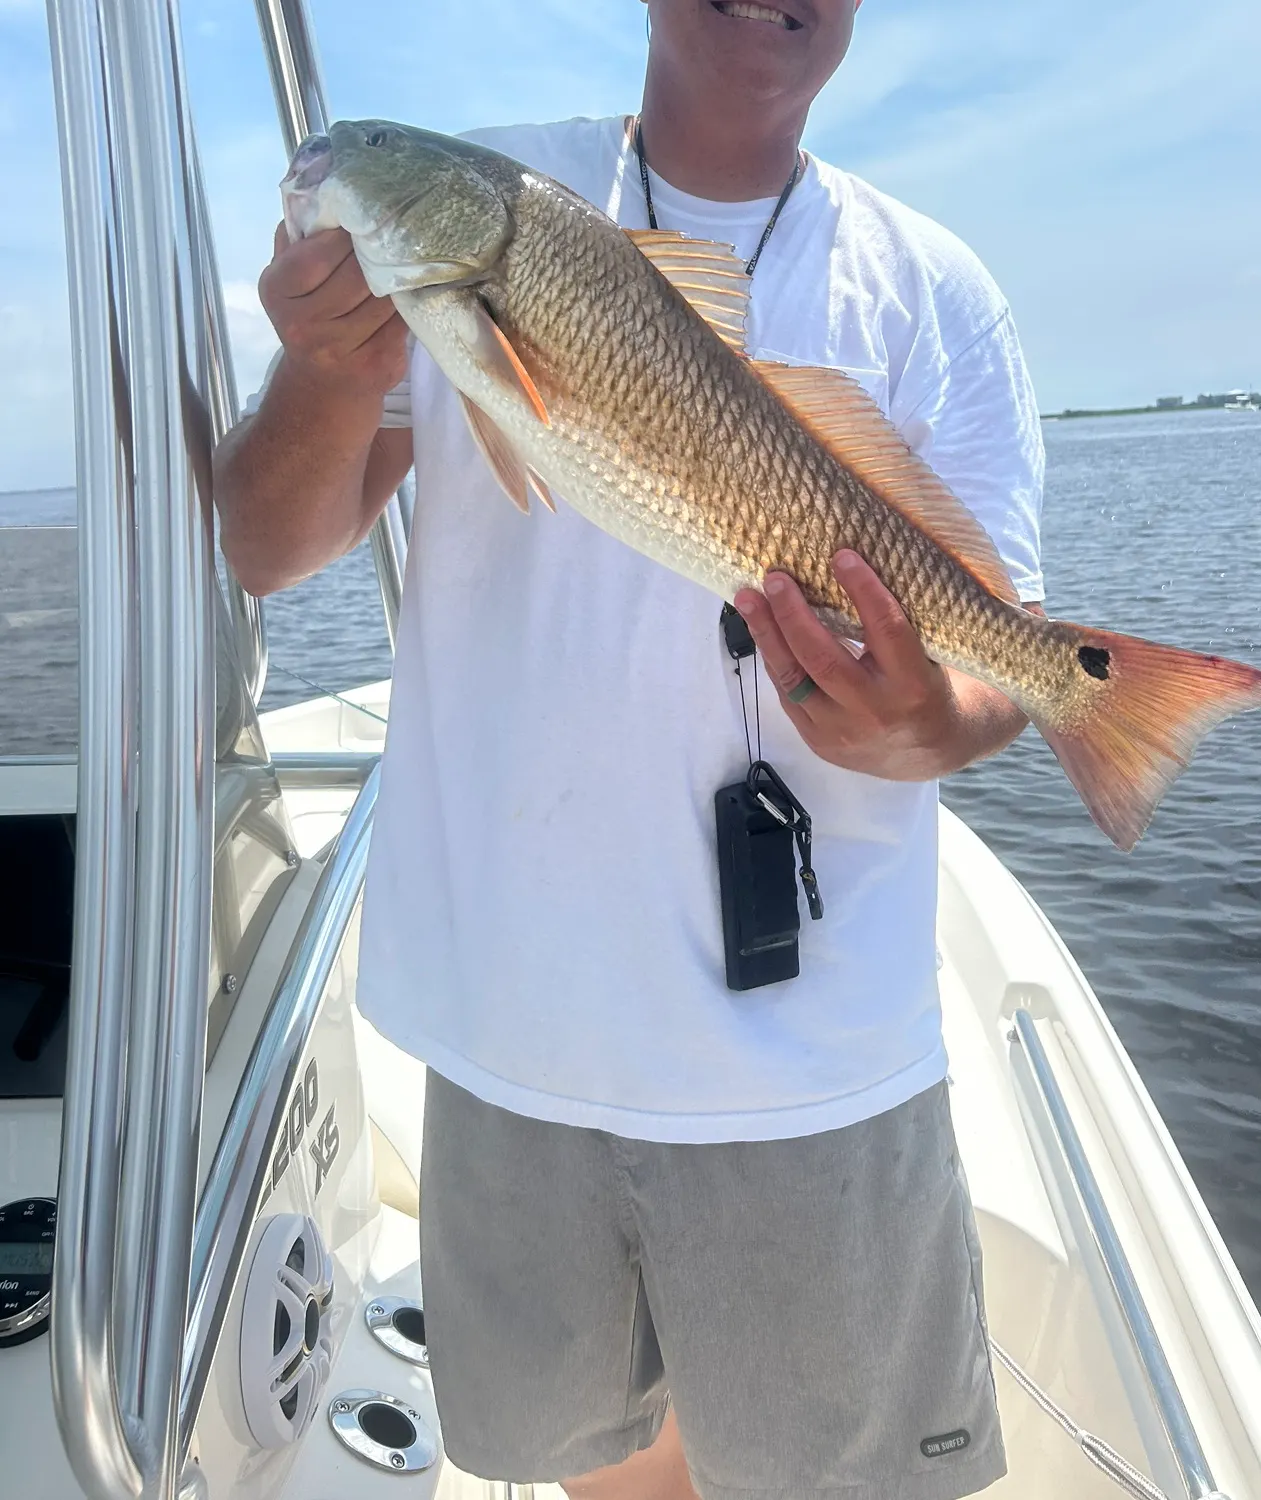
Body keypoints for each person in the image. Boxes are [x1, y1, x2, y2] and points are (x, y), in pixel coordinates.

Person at [215, 3, 1045, 1497]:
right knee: (591, 1470)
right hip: (510, 1035)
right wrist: (334, 376)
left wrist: (931, 724)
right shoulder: (504, 198)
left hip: (815, 1067)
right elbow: (269, 548)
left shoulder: (935, 289)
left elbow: (1000, 664)